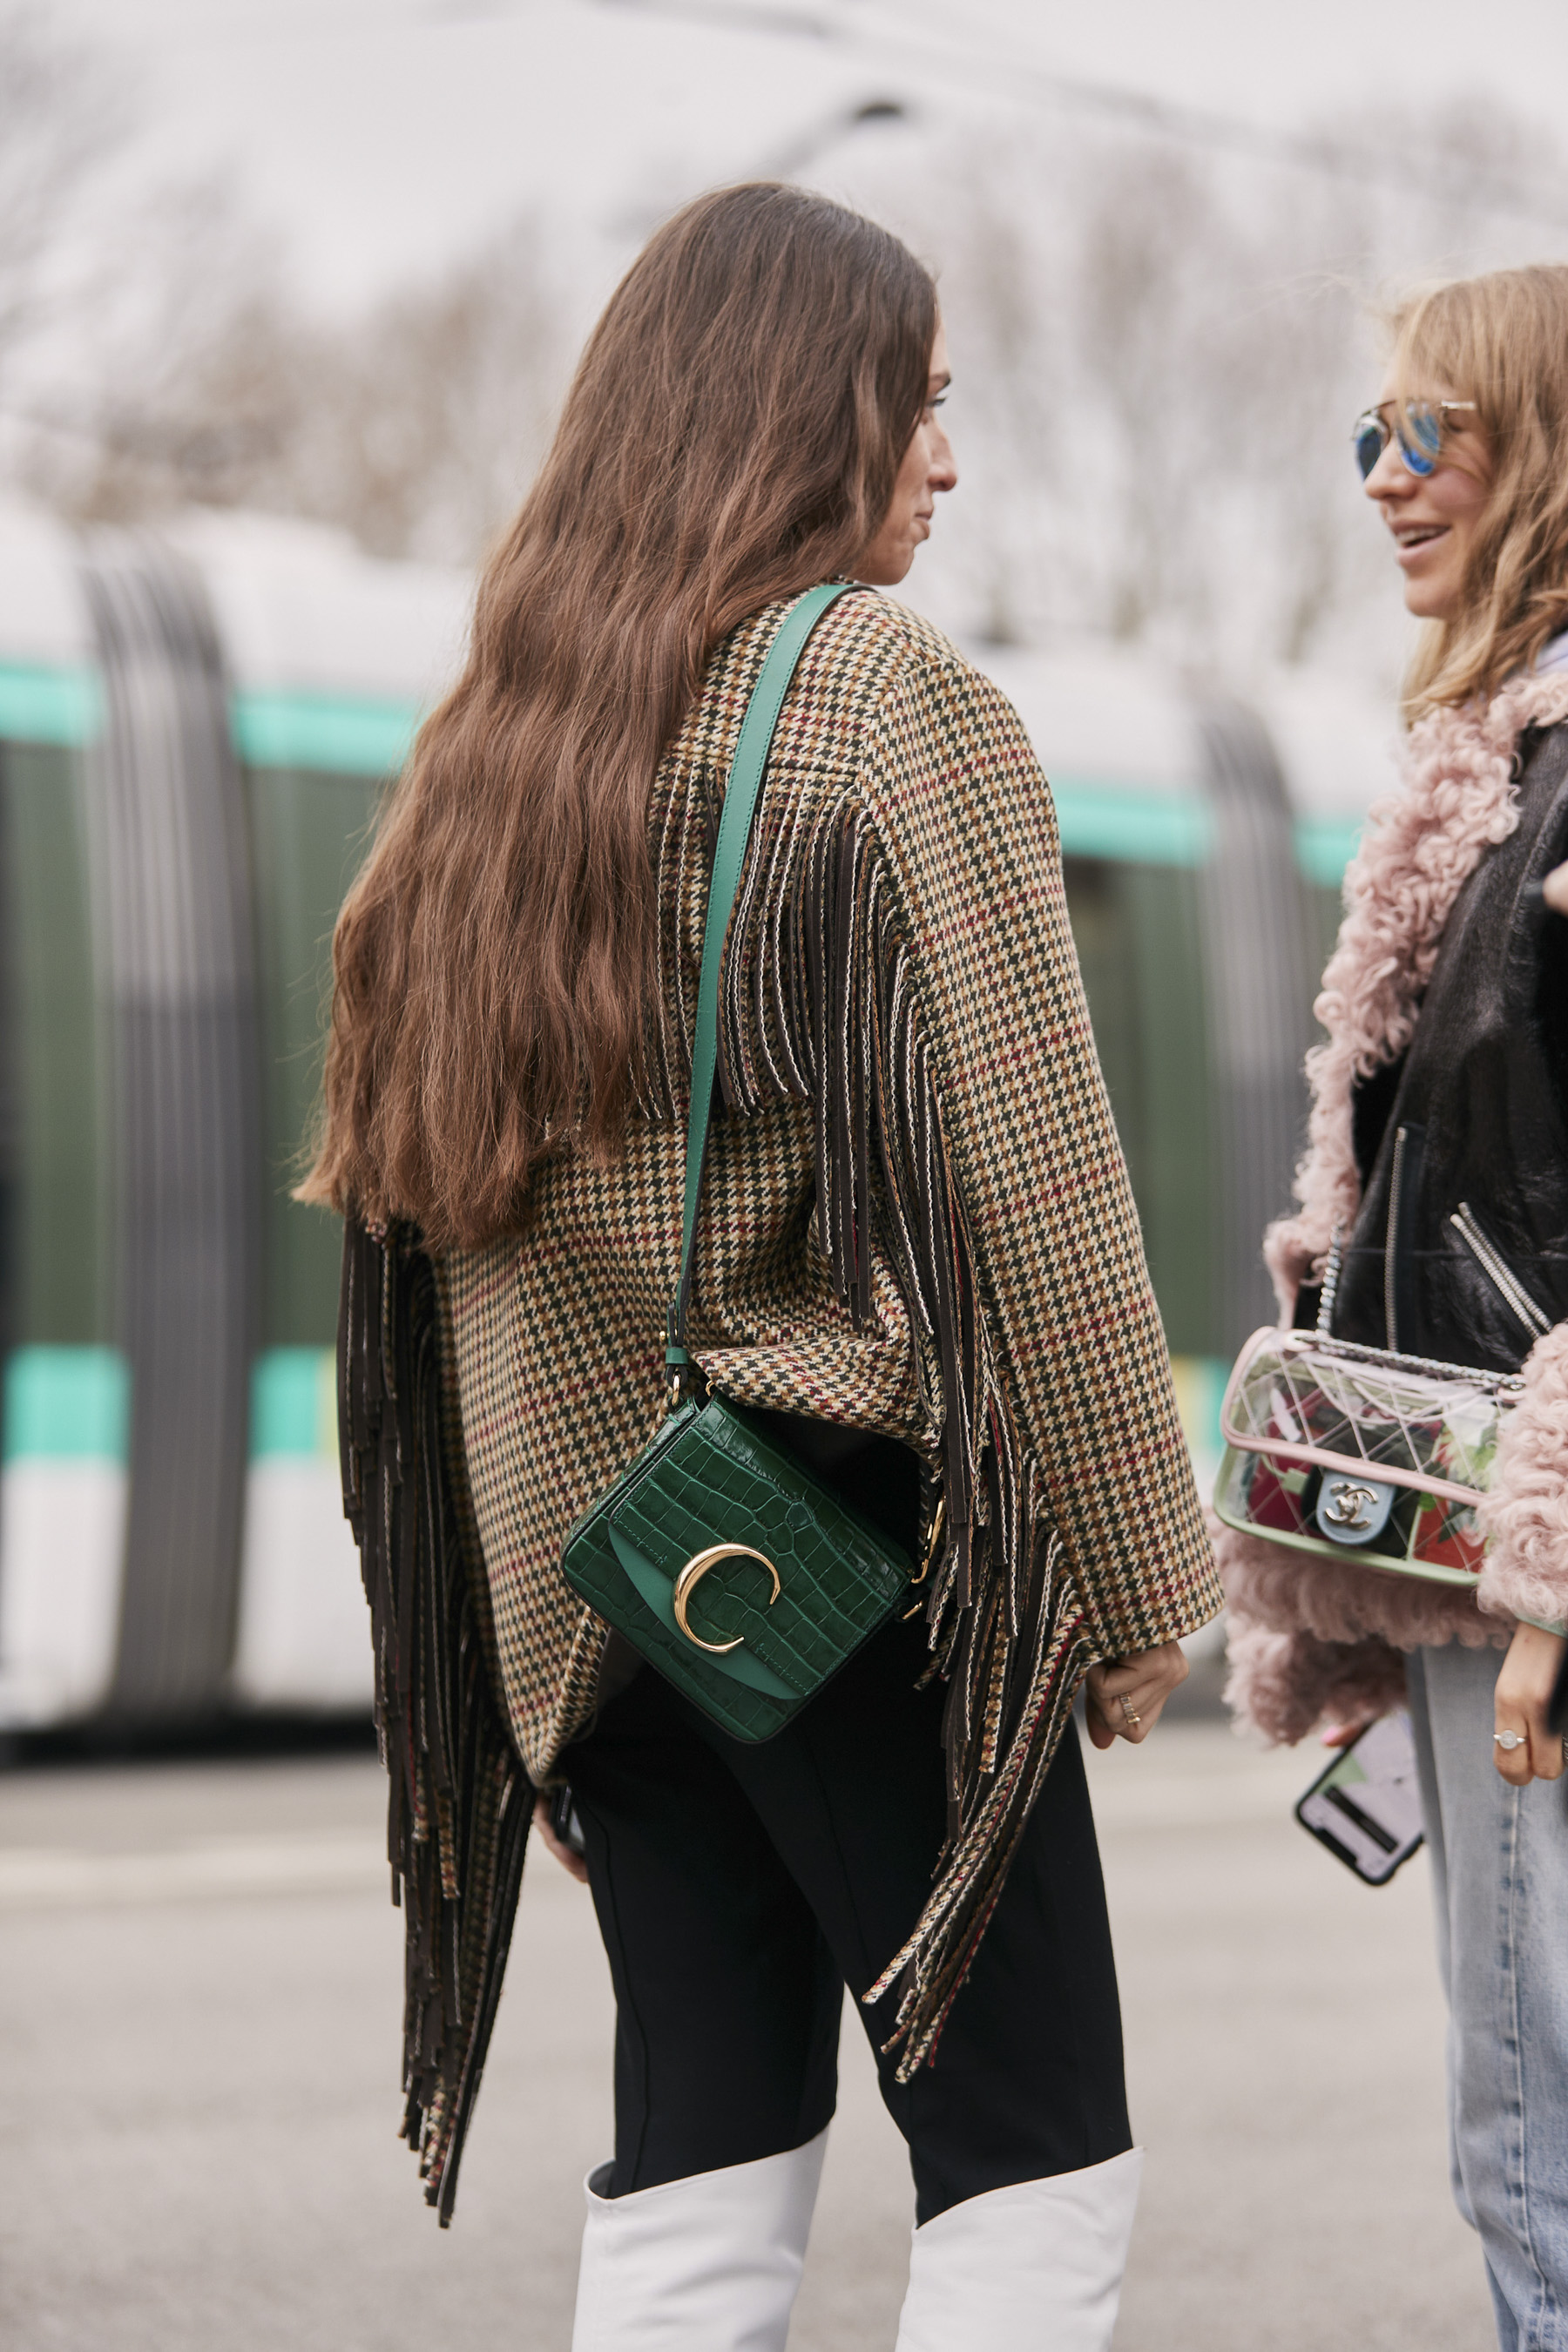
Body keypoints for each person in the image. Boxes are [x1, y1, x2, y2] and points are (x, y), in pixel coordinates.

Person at [306, 181, 1220, 2351]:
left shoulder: (495, 760)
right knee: (1035, 2156)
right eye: (921, 401)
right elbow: (1039, 1178)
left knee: (703, 2159)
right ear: (804, 411)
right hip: (857, 1556)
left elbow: (453, 1257)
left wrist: (540, 1682)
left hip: (616, 1587)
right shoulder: (876, 694)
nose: (949, 458)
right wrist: (1128, 1569)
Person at [1219, 265, 1568, 2350]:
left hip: (1537, 1581)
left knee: (1537, 2143)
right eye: (1370, 433)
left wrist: (1547, 1576)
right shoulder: (1488, 778)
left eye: (1429, 432)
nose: (1382, 480)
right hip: (1479, 1565)